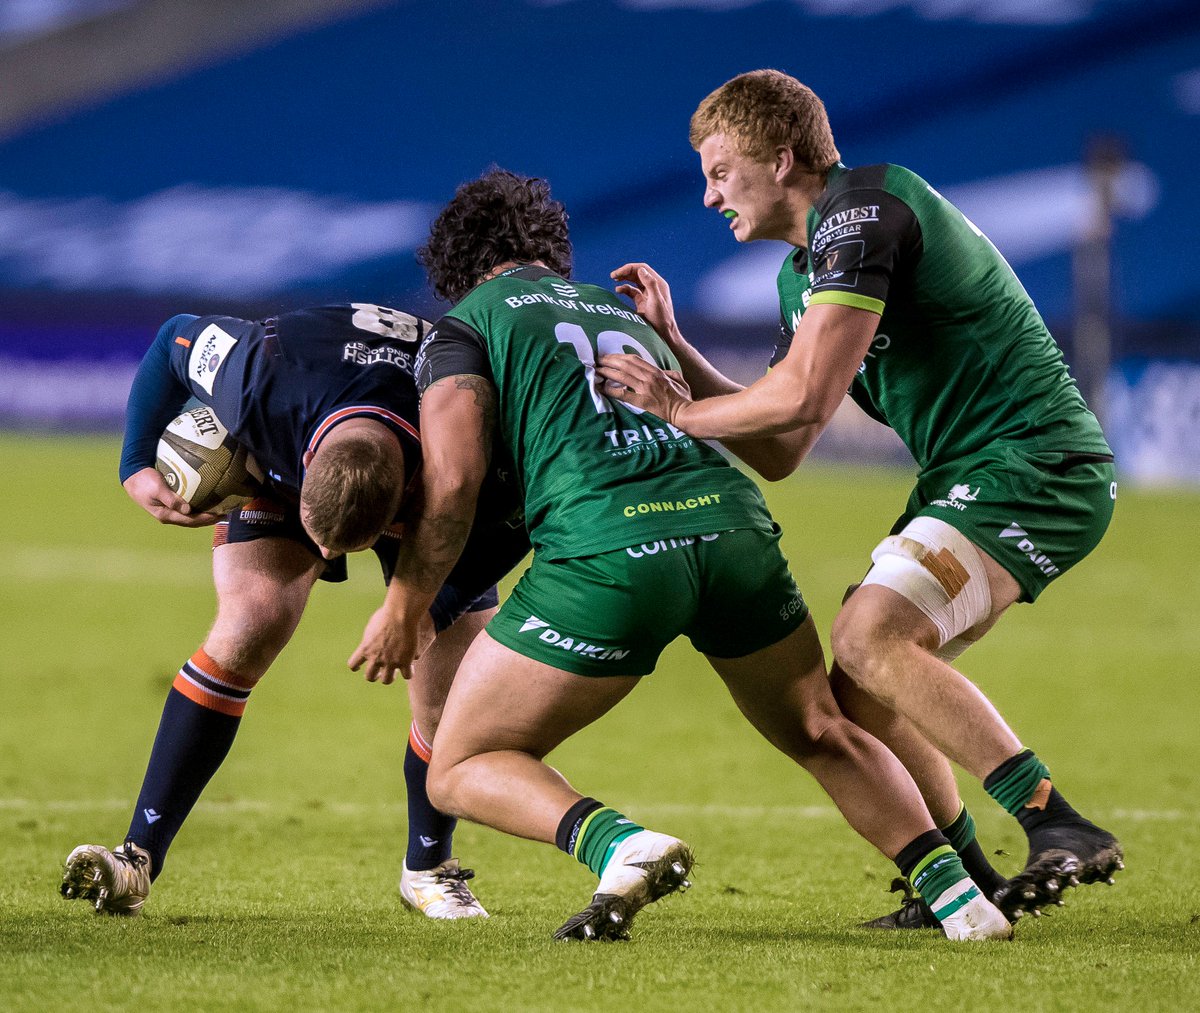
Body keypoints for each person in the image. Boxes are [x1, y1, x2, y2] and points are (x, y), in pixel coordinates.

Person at [377, 168, 1012, 942]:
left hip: (610, 554)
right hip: (734, 531)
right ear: (551, 248)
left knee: (458, 763)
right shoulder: (624, 315)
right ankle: (962, 900)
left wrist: (408, 600)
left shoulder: (466, 326)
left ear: (455, 267)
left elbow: (457, 480)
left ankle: (620, 845)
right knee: (820, 726)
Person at [595, 69, 1123, 928]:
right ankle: (969, 877)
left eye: (720, 171)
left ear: (783, 156)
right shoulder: (799, 278)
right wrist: (678, 349)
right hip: (968, 474)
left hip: (1035, 461)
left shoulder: (869, 209)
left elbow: (800, 397)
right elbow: (782, 448)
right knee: (857, 696)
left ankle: (1055, 819)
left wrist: (679, 409)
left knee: (871, 634)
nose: (706, 195)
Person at [59, 303, 528, 919]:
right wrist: (133, 463)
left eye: (346, 548)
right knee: (252, 620)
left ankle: (430, 867)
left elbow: (519, 527)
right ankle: (136, 859)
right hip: (302, 424)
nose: (330, 555)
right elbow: (174, 337)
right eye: (324, 538)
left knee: (447, 693)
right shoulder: (256, 379)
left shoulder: (465, 447)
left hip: (424, 479)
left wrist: (425, 612)